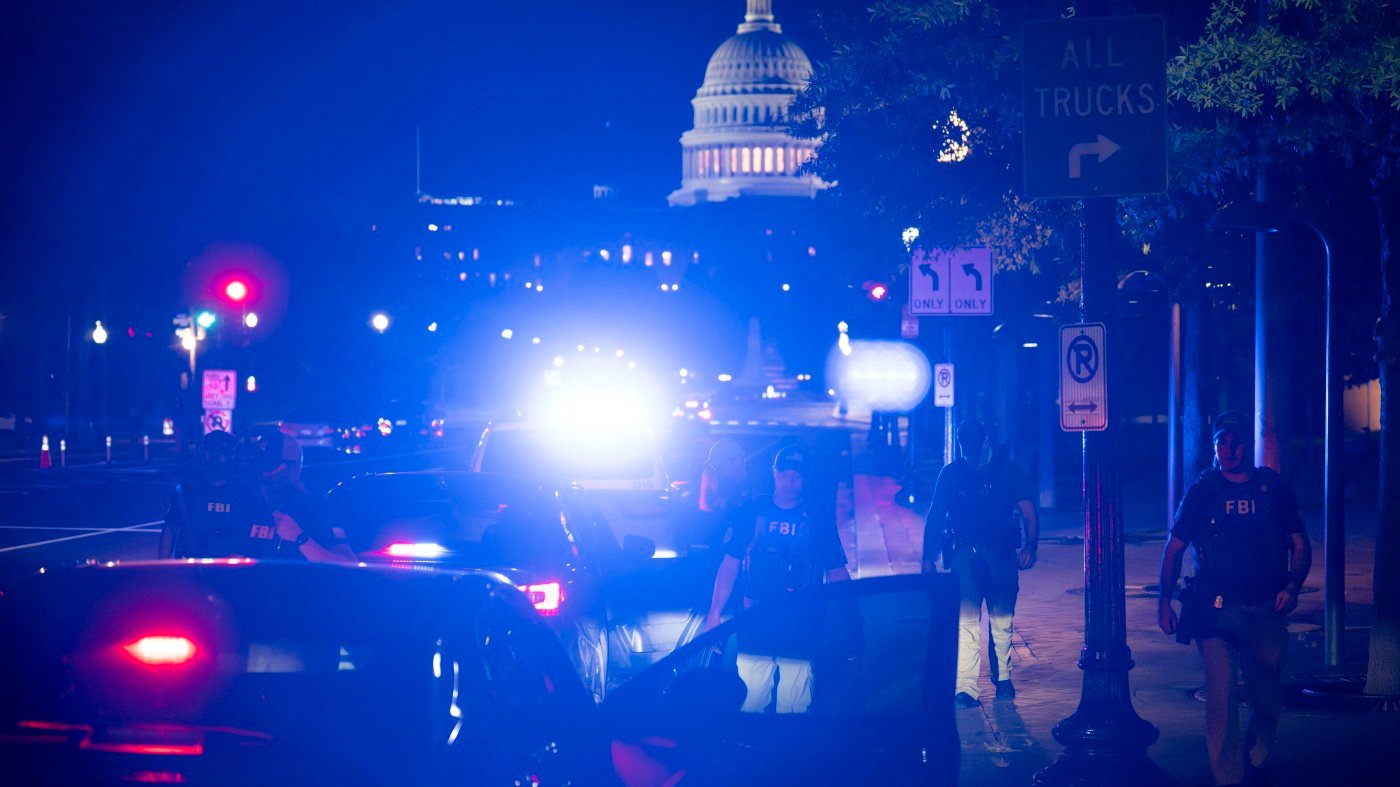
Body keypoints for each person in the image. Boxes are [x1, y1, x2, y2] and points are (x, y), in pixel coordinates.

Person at [1158, 411, 1311, 786]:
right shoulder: (1203, 490)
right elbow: (1174, 548)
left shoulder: (1272, 487)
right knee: (1221, 695)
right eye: (1222, 442)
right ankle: (1227, 777)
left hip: (1266, 607)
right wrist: (1164, 601)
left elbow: (1298, 542)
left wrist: (1292, 587)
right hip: (1216, 609)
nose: (1229, 450)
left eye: (1236, 442)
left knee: (1266, 691)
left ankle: (1259, 752)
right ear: (1214, 447)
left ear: (1248, 445)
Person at [706, 444, 850, 713]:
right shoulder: (751, 512)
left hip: (800, 623)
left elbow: (836, 570)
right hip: (756, 620)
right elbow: (730, 564)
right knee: (750, 701)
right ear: (774, 473)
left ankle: (787, 741)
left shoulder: (817, 518)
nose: (790, 481)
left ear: (805, 478)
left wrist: (851, 619)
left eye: (797, 475)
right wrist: (714, 614)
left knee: (794, 704)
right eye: (784, 474)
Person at [922, 419, 1039, 708]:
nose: (970, 449)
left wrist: (1031, 546)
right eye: (966, 443)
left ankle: (1002, 678)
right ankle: (967, 687)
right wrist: (927, 556)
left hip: (1000, 554)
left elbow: (1029, 512)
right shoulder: (952, 474)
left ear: (985, 440)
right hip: (966, 555)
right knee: (967, 622)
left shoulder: (1008, 471)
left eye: (974, 442)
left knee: (1001, 620)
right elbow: (936, 515)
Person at [160, 430, 277, 558]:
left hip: (229, 566)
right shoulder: (188, 490)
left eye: (232, 452)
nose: (229, 457)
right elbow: (170, 529)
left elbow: (263, 526)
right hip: (192, 564)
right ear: (208, 455)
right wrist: (162, 566)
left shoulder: (243, 491)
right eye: (224, 452)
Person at [253, 430, 357, 563]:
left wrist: (300, 538)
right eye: (261, 467)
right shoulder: (248, 503)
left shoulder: (316, 507)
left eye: (272, 468)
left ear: (292, 467)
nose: (265, 475)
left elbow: (348, 563)